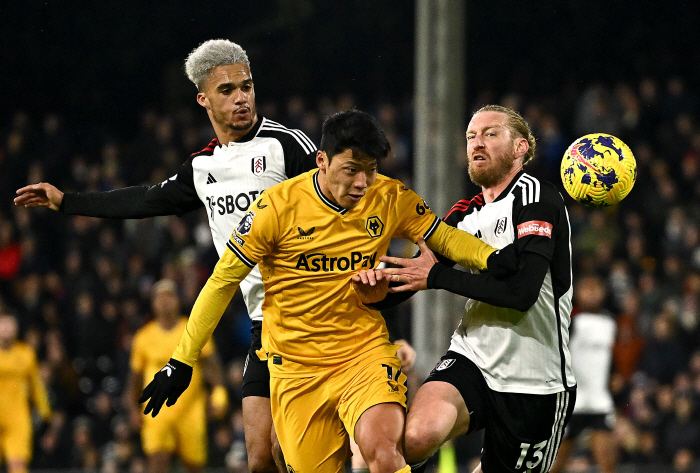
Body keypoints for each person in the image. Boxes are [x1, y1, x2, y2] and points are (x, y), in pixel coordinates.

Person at [137, 109, 516, 473]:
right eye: (351, 170)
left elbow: (444, 238)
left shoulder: (388, 197)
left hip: (361, 356)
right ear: (321, 160)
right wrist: (182, 359)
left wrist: (493, 259)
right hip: (296, 371)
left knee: (384, 452)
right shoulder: (276, 208)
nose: (361, 183)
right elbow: (221, 282)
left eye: (370, 171)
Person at [14, 39, 317, 473]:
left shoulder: (286, 146)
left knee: (297, 454)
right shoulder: (202, 167)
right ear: (203, 99)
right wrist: (68, 201)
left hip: (312, 315)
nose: (241, 98)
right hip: (262, 324)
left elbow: (342, 210)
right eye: (227, 90)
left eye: (246, 86)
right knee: (260, 458)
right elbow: (144, 200)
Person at [355, 105, 577, 473]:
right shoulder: (462, 214)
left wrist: (437, 278)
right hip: (472, 358)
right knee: (414, 438)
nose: (477, 143)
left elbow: (521, 295)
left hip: (536, 380)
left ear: (521, 147)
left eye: (490, 134)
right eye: (471, 136)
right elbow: (418, 272)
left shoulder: (538, 199)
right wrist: (378, 291)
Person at [126, 279, 228, 473]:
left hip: (191, 409)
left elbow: (213, 364)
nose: (165, 301)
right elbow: (135, 379)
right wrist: (132, 408)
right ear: (153, 303)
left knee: (194, 466)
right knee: (157, 462)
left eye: (170, 296)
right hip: (156, 410)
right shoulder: (143, 337)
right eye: (160, 297)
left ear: (178, 300)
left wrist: (219, 393)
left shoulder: (192, 328)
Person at [549, 274, 617, 473]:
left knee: (607, 463)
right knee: (556, 463)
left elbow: (609, 359)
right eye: (587, 288)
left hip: (599, 401)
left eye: (596, 288)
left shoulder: (610, 323)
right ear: (578, 293)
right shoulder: (572, 321)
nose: (593, 293)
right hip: (574, 402)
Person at [0, 313, 52, 473]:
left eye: (11, 324)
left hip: (18, 419)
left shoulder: (26, 354)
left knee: (18, 467)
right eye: (3, 324)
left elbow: (37, 387)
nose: (7, 329)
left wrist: (45, 413)